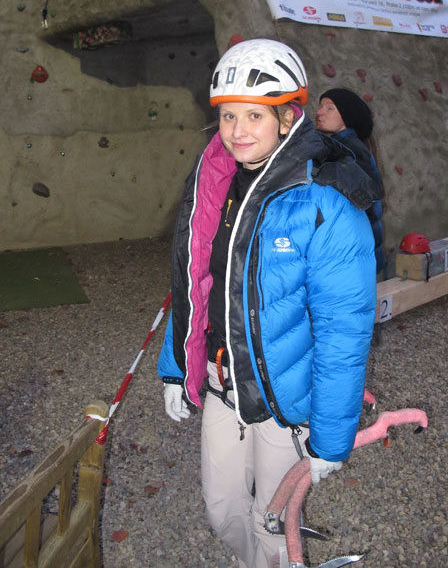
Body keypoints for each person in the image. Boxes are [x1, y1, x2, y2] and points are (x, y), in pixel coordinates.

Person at [157, 39, 376, 568]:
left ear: (286, 118)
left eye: (254, 115)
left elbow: (344, 332)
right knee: (221, 509)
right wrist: (173, 367)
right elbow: (197, 282)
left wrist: (331, 436)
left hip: (286, 401)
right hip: (220, 385)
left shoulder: (324, 203)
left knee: (272, 524)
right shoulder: (216, 184)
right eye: (229, 116)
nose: (237, 130)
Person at [315, 88, 385, 274]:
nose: (319, 112)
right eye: (320, 107)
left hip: (354, 259)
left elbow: (356, 209)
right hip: (356, 254)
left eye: (329, 108)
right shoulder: (342, 147)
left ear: (346, 116)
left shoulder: (349, 151)